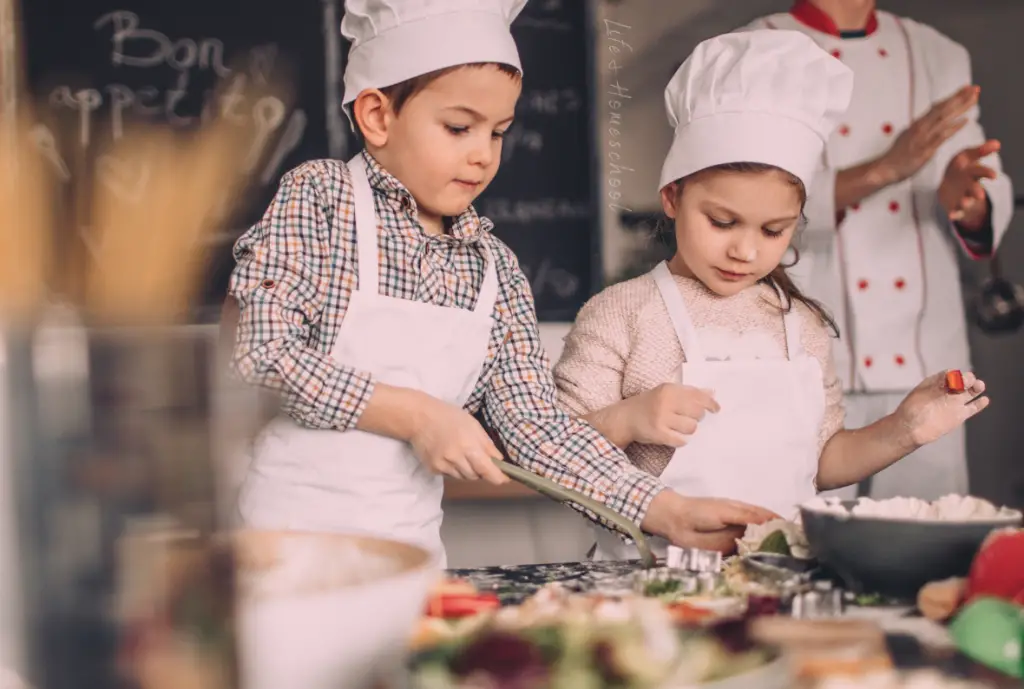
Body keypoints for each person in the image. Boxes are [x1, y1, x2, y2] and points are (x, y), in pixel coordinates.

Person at [225, 0, 775, 568]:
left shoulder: (497, 270)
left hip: (412, 568)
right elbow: (260, 356)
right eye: (459, 127)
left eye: (499, 132)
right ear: (377, 116)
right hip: (283, 558)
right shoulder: (320, 198)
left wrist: (664, 509)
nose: (482, 155)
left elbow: (535, 428)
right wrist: (420, 415)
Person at [552, 29, 990, 561]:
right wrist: (628, 419)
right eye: (722, 221)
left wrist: (906, 428)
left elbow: (824, 463)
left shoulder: (797, 323)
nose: (744, 250)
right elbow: (554, 452)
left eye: (773, 231)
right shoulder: (619, 313)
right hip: (649, 584)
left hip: (779, 577)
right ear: (672, 197)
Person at [738, 0, 1014, 501]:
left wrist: (968, 200)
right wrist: (886, 168)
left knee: (927, 548)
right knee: (801, 544)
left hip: (926, 355)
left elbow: (976, 178)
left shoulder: (939, 54)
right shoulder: (754, 49)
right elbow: (746, 207)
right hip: (806, 355)